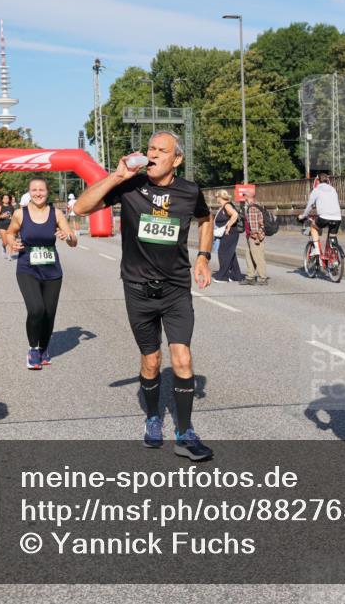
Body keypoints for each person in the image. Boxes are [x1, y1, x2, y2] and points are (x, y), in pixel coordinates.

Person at [74, 130, 214, 460]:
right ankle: (153, 418)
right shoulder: (130, 187)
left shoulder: (190, 191)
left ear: (176, 159)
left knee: (182, 358)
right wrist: (116, 176)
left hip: (176, 287)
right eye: (150, 148)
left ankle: (184, 431)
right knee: (151, 361)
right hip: (138, 288)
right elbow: (81, 207)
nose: (151, 155)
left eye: (160, 150)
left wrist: (204, 256)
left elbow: (206, 219)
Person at [7, 177, 76, 369]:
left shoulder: (56, 213)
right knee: (36, 309)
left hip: (52, 270)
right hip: (27, 268)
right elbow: (10, 232)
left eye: (42, 190)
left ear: (48, 192)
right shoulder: (20, 213)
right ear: (29, 192)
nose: (38, 193)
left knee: (49, 313)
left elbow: (73, 240)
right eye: (34, 190)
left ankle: (44, 347)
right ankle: (33, 349)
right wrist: (12, 242)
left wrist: (67, 236)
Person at [297, 171, 343, 260]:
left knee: (313, 227)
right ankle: (333, 257)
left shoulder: (316, 190)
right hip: (337, 218)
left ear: (317, 181)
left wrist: (303, 216)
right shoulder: (333, 189)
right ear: (328, 180)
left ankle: (317, 250)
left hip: (324, 218)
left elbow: (309, 206)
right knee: (332, 237)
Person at [211, 190, 243, 283]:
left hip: (230, 233)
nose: (216, 199)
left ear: (219, 197)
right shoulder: (224, 206)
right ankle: (236, 275)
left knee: (223, 253)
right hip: (229, 233)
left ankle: (223, 276)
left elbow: (235, 215)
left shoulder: (227, 205)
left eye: (217, 197)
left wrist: (228, 226)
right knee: (231, 254)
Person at [241, 189, 268, 286]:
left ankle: (262, 278)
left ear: (248, 196)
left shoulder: (252, 208)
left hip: (255, 237)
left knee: (258, 257)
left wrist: (256, 237)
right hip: (252, 236)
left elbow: (254, 226)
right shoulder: (258, 204)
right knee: (249, 257)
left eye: (244, 195)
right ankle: (250, 277)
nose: (243, 197)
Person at [0, 194, 15, 260]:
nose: (6, 199)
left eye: (7, 198)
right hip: (2, 226)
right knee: (5, 242)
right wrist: (1, 216)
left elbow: (14, 216)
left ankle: (9, 255)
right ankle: (3, 247)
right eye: (4, 198)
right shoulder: (0, 207)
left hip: (10, 226)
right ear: (2, 200)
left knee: (10, 241)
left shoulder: (11, 207)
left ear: (9, 199)